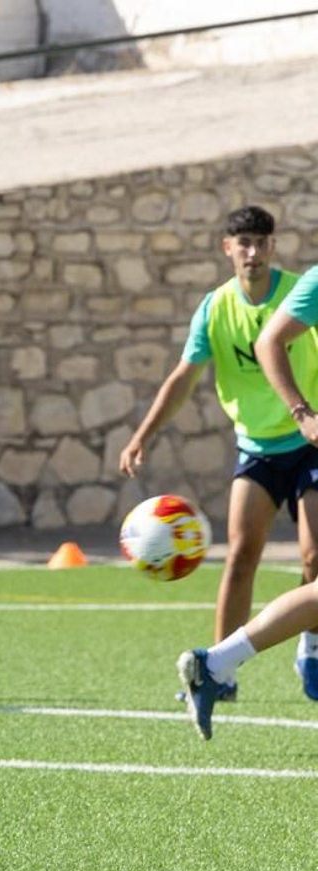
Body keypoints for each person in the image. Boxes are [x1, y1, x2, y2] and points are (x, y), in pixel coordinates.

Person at [121, 206, 318, 724]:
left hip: (310, 447)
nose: (252, 252)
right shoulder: (217, 308)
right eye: (243, 243)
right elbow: (185, 377)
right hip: (259, 446)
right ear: (226, 248)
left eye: (261, 242)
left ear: (273, 246)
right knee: (241, 555)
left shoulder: (298, 287)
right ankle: (219, 672)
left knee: (315, 557)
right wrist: (143, 434)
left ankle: (309, 649)